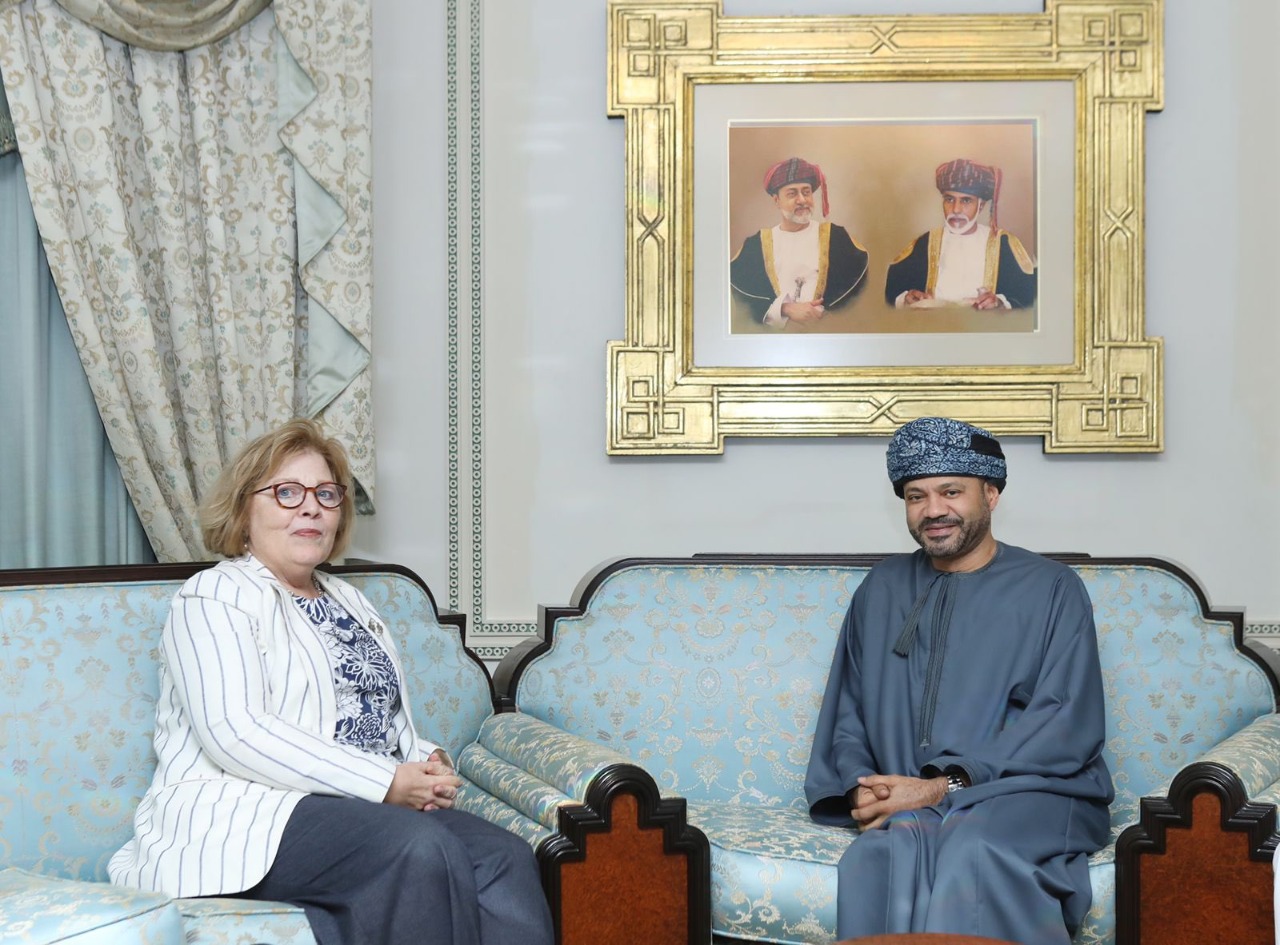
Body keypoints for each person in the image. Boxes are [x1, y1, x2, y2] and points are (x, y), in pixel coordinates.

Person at [108, 419, 553, 945]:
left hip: (359, 808)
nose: (311, 508)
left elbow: (371, 720)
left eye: (325, 494)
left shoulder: (350, 601)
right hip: (246, 814)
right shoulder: (214, 596)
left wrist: (425, 759)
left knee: (503, 857)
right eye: (287, 493)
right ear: (244, 511)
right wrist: (387, 782)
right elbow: (235, 732)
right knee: (418, 847)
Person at [804, 416, 1113, 944]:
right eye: (916, 496)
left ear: (990, 495)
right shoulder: (881, 589)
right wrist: (866, 788)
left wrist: (942, 786)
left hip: (1036, 792)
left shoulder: (1052, 588)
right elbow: (848, 711)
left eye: (951, 492)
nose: (933, 510)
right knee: (879, 856)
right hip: (914, 801)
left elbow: (1064, 721)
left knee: (975, 848)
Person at [730, 156, 870, 328]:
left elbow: (857, 285)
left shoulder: (837, 238)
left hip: (828, 330)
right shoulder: (755, 246)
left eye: (806, 192)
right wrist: (785, 309)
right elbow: (742, 290)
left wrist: (819, 312)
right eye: (792, 193)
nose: (802, 200)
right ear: (777, 200)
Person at [884, 158, 1037, 310]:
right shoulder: (926, 242)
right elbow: (893, 291)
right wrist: (906, 297)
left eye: (966, 201)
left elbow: (1027, 296)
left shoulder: (1002, 243)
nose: (956, 209)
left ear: (981, 205)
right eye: (949, 199)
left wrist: (999, 302)